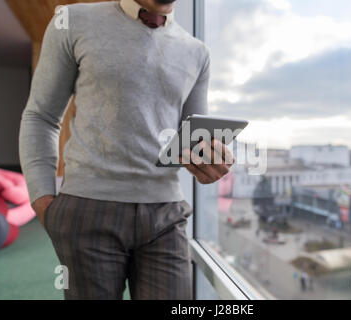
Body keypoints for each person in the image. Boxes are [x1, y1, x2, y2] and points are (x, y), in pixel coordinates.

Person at [19, 0, 233, 300]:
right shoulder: (73, 20)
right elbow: (41, 116)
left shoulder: (197, 52)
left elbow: (192, 142)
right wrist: (42, 199)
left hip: (166, 214)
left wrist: (210, 163)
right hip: (88, 208)